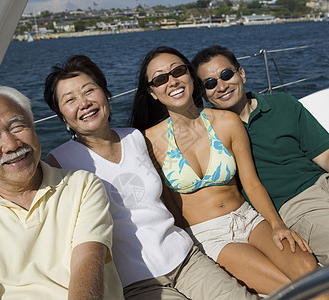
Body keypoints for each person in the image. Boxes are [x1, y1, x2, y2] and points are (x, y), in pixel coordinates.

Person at [43, 54, 259, 300]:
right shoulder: (59, 163)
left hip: (186, 259)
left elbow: (170, 196)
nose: (84, 103)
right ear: (62, 116)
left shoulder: (136, 138)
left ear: (106, 95)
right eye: (70, 100)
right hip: (138, 283)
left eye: (89, 91)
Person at [130, 46, 329, 299]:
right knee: (288, 288)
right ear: (152, 92)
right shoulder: (148, 142)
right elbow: (170, 207)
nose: (172, 80)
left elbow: (251, 183)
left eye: (178, 71)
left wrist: (277, 224)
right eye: (161, 78)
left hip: (248, 218)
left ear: (190, 75)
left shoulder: (227, 122)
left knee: (309, 271)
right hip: (208, 235)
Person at [0, 86, 124, 300]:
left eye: (18, 126)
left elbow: (88, 262)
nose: (11, 144)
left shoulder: (82, 186)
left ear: (33, 127)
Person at [191, 45, 329, 266]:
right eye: (210, 84)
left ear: (242, 73)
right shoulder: (213, 138)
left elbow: (327, 157)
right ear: (204, 94)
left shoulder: (284, 105)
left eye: (226, 74)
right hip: (296, 206)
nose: (221, 86)